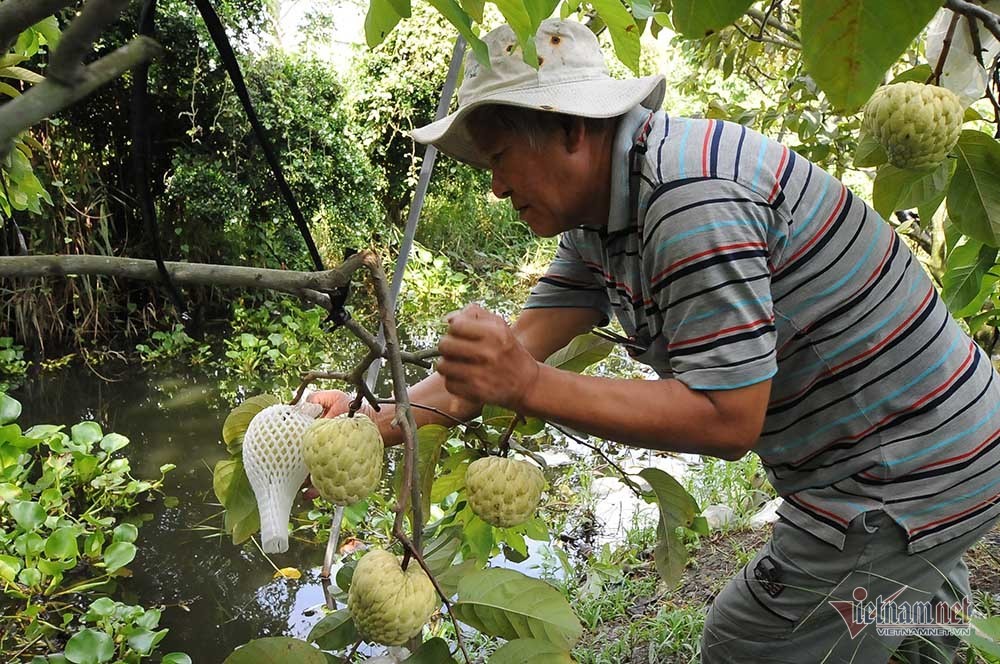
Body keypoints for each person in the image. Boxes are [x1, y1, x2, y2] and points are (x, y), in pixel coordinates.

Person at [310, 19, 1000, 664]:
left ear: (571, 128)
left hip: (904, 477)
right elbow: (508, 357)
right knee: (898, 630)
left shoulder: (687, 197)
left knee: (744, 643)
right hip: (932, 448)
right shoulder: (604, 218)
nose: (494, 189)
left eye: (499, 158)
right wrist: (369, 425)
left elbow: (727, 419)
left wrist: (527, 385)